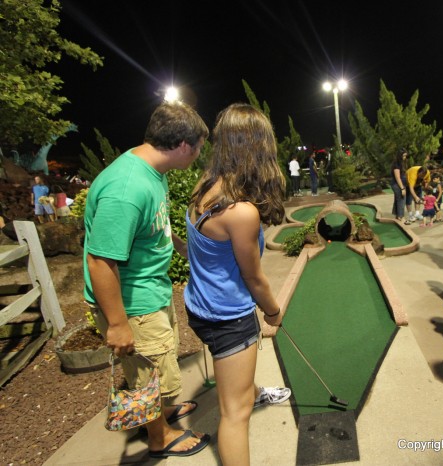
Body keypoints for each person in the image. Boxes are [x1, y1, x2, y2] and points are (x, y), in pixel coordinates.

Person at [83, 102, 211, 459]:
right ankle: (160, 436)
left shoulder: (152, 173)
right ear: (183, 144)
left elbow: (151, 231)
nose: (199, 154)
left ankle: (163, 413)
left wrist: (186, 248)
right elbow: (100, 261)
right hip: (132, 303)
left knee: (160, 364)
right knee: (148, 376)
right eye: (199, 146)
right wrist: (119, 323)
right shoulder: (126, 189)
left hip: (149, 290)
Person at [184, 103, 291, 466]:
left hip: (199, 306)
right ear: (259, 147)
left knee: (240, 387)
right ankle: (247, 396)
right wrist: (274, 312)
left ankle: (253, 390)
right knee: (234, 414)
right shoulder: (242, 212)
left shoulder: (206, 185)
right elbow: (254, 277)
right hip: (227, 319)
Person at [390, 149, 408, 223]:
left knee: (398, 199)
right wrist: (402, 188)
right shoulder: (396, 164)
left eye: (405, 156)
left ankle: (398, 216)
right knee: (401, 200)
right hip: (397, 184)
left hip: (401, 184)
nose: (405, 157)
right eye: (403, 156)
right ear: (399, 156)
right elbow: (397, 177)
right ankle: (401, 217)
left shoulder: (401, 163)